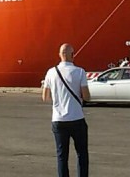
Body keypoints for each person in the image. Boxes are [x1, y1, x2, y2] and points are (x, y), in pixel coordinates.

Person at [42, 43, 90, 177]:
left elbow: (45, 97)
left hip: (58, 120)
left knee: (62, 156)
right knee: (82, 154)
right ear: (72, 55)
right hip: (77, 119)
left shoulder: (51, 72)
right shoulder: (80, 71)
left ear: (59, 55)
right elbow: (86, 96)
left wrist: (59, 99)